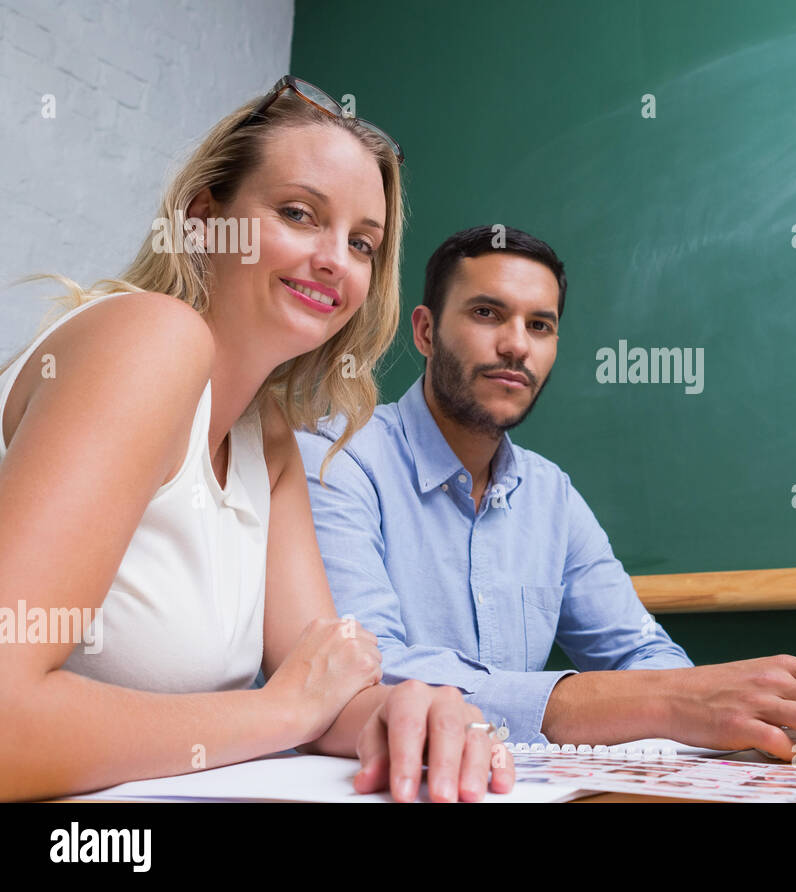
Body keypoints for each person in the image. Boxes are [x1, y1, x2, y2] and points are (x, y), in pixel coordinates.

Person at [0, 77, 512, 802]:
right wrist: (277, 711)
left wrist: (408, 709)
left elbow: (326, 688)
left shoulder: (266, 437)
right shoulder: (148, 336)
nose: (337, 259)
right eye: (300, 214)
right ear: (205, 219)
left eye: (363, 243)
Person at [297, 225, 796, 762]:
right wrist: (666, 701)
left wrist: (705, 704)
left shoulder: (551, 495)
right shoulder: (338, 458)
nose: (516, 345)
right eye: (487, 314)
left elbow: (641, 653)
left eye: (540, 325)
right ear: (426, 332)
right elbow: (367, 677)